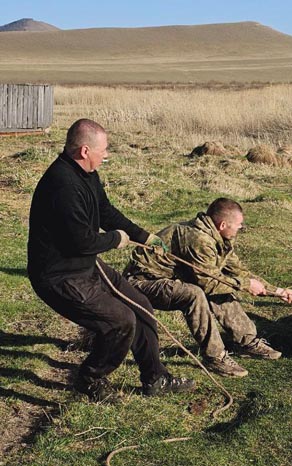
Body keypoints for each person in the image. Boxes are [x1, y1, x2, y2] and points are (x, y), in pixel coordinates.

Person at [27, 118, 195, 402]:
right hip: (59, 276)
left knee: (140, 306)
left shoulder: (86, 174)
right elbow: (80, 241)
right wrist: (116, 240)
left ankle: (155, 378)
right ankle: (91, 378)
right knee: (120, 321)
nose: (106, 155)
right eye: (102, 150)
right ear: (84, 151)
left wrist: (145, 236)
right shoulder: (62, 186)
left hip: (84, 265)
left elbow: (105, 211)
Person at [123, 198, 292, 378]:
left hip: (167, 280)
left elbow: (239, 272)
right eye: (239, 225)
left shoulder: (218, 238)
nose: (241, 228)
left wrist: (277, 291)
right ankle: (215, 357)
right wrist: (246, 286)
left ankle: (247, 342)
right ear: (223, 224)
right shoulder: (199, 239)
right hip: (140, 283)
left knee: (221, 287)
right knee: (196, 294)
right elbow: (209, 283)